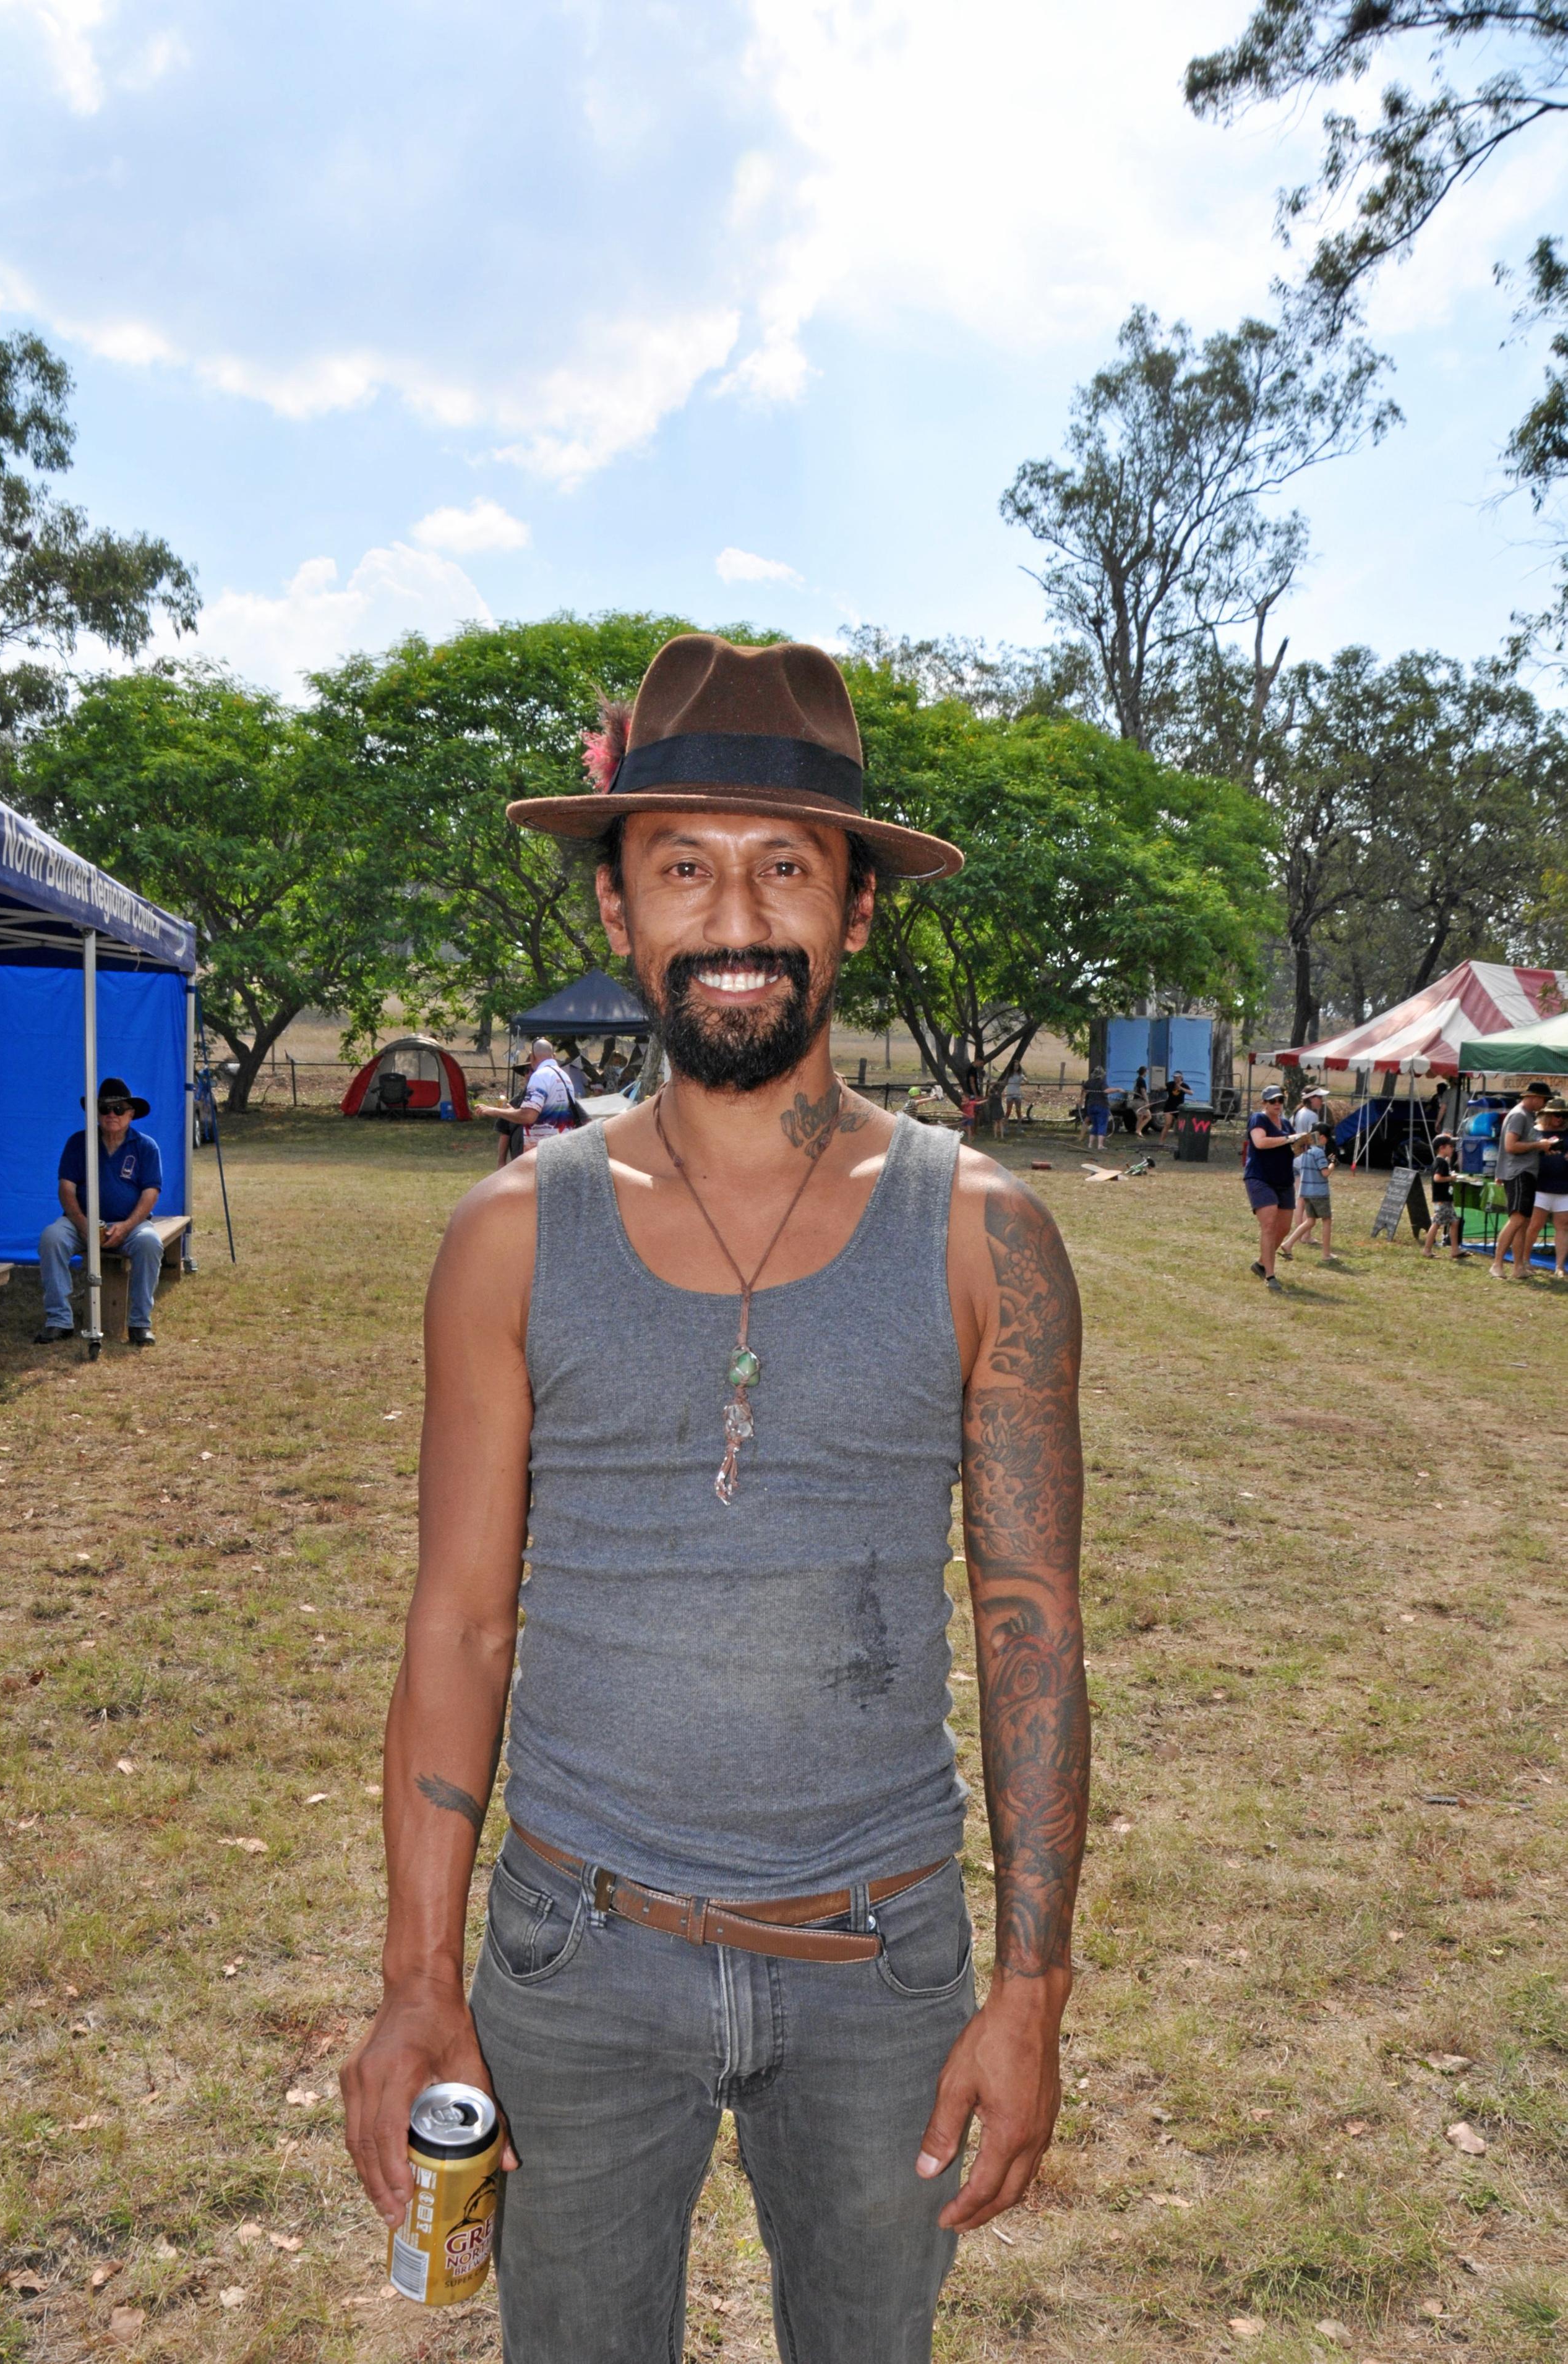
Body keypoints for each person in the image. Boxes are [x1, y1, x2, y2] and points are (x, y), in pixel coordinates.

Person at [340, 634, 1089, 2364]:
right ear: (617, 911)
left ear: (855, 908)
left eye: (783, 866)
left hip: (882, 1958)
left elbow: (1029, 1621)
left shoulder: (985, 1234)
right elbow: (458, 1616)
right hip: (573, 1954)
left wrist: (1031, 1989)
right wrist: (415, 1977)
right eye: (681, 865)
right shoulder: (510, 1233)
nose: (733, 914)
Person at [36, 1077, 164, 1347]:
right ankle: (59, 1320)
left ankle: (140, 1324)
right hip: (81, 1222)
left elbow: (151, 1193)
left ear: (131, 1113)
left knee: (150, 1243)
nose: (111, 1115)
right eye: (104, 1109)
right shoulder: (78, 1142)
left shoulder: (146, 1146)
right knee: (52, 1238)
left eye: (119, 1109)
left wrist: (127, 1226)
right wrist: (83, 1223)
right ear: (96, 1113)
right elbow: (66, 1189)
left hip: (129, 1225)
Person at [475, 1038, 580, 1168]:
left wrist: (494, 1111)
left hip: (542, 1156)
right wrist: (511, 1111)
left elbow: (529, 1116)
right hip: (561, 1152)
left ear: (532, 1056)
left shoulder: (540, 1075)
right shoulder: (563, 1076)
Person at [1489, 1079, 1551, 1280]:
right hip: (1519, 1173)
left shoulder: (1527, 1115)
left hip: (1525, 1172)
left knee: (1523, 1222)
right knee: (1517, 1219)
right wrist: (1537, 1146)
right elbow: (1511, 1146)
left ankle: (1518, 1268)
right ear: (1533, 1097)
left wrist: (1542, 1147)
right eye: (1544, 1100)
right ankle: (1497, 1264)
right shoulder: (1518, 1115)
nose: (1544, 1104)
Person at [1243, 1084, 1296, 1291]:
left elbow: (1293, 1148)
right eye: (1272, 1101)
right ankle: (1271, 1276)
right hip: (1260, 1177)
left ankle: (1261, 1264)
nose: (1277, 1104)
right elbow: (1260, 1143)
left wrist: (1304, 1143)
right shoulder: (1259, 1118)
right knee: (1269, 1224)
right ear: (1264, 1103)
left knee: (1284, 1228)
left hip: (1284, 1180)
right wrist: (1288, 1139)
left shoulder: (1285, 1123)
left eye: (1280, 1100)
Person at [1522, 1095, 1568, 1280]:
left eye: (1564, 1116)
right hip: (1540, 1186)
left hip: (1564, 1187)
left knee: (1563, 1226)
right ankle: (1524, 1260)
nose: (1561, 1119)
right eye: (1557, 1115)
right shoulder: (1535, 1132)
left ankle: (1559, 1267)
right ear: (1547, 1115)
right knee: (1534, 1226)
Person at [1279, 1123, 1336, 1262]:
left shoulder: (1305, 1151)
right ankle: (1326, 1254)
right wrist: (1333, 1163)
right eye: (1327, 1139)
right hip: (1319, 1193)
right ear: (1322, 1137)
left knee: (1310, 1221)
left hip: (1306, 1192)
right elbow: (1325, 1173)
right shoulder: (1319, 1152)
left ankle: (1288, 1244)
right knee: (1327, 1221)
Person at [1422, 1131, 1467, 1264]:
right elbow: (1437, 1178)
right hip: (1442, 1200)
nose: (1453, 1148)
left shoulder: (1442, 1162)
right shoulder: (1441, 1163)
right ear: (1442, 1148)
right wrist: (1451, 1178)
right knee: (1437, 1224)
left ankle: (1455, 1250)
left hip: (1444, 1199)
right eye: (1451, 1146)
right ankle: (1427, 1250)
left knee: (1454, 1222)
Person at [1157, 1070, 1189, 1145]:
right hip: (1169, 1107)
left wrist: (1181, 1088)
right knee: (1168, 1124)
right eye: (1174, 1077)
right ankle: (1161, 1142)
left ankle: (1182, 1143)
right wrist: (1161, 1088)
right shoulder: (1170, 1084)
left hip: (1179, 1108)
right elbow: (1163, 1088)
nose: (1175, 1079)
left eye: (1177, 1077)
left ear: (1181, 1077)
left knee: (1181, 1126)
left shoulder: (1184, 1085)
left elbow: (1191, 1093)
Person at [1082, 1065, 1110, 1147]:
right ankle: (1100, 1145)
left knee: (1095, 1125)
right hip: (1102, 1106)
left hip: (1091, 1106)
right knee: (1102, 1124)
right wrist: (1118, 1089)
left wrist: (1088, 1092)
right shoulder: (1102, 1082)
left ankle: (1090, 1144)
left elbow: (1083, 1088)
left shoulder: (1090, 1081)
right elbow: (1106, 1091)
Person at [1128, 1067, 1152, 1135]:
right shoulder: (1142, 1080)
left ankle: (1138, 1133)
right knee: (1148, 1117)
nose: (1147, 1073)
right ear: (1144, 1072)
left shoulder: (1137, 1080)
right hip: (1140, 1102)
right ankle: (1138, 1131)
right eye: (1147, 1072)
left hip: (1135, 1101)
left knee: (1140, 1119)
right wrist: (1147, 1101)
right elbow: (1143, 1091)